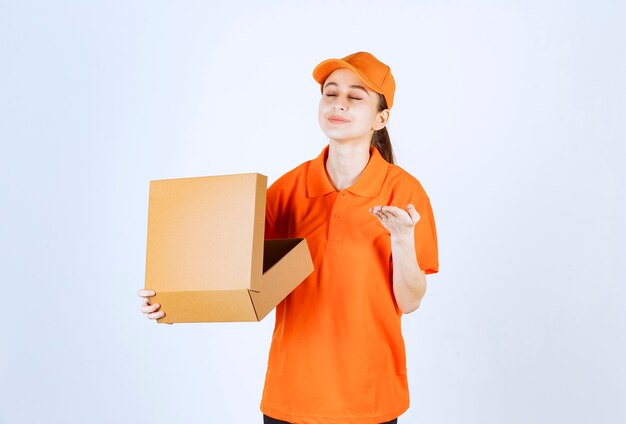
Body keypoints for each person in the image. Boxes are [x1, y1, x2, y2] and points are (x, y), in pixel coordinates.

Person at [139, 51, 439, 424]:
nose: (339, 104)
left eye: (355, 96)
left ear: (381, 117)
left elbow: (409, 302)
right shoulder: (288, 190)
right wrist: (170, 300)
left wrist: (403, 240)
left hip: (369, 398)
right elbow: (231, 269)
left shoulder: (404, 192)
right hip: (291, 396)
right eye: (330, 93)